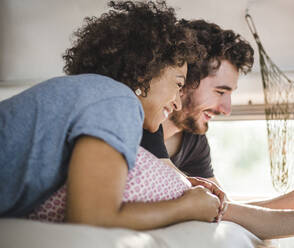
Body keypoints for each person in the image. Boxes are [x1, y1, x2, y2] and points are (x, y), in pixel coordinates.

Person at [0, 1, 223, 230]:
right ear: (144, 72)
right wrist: (187, 207)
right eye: (178, 84)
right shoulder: (118, 101)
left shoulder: (98, 96)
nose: (177, 103)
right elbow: (92, 218)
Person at [140, 19, 294, 239]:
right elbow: (224, 211)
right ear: (184, 81)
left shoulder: (194, 141)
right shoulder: (141, 126)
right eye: (220, 92)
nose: (227, 109)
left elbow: (228, 210)